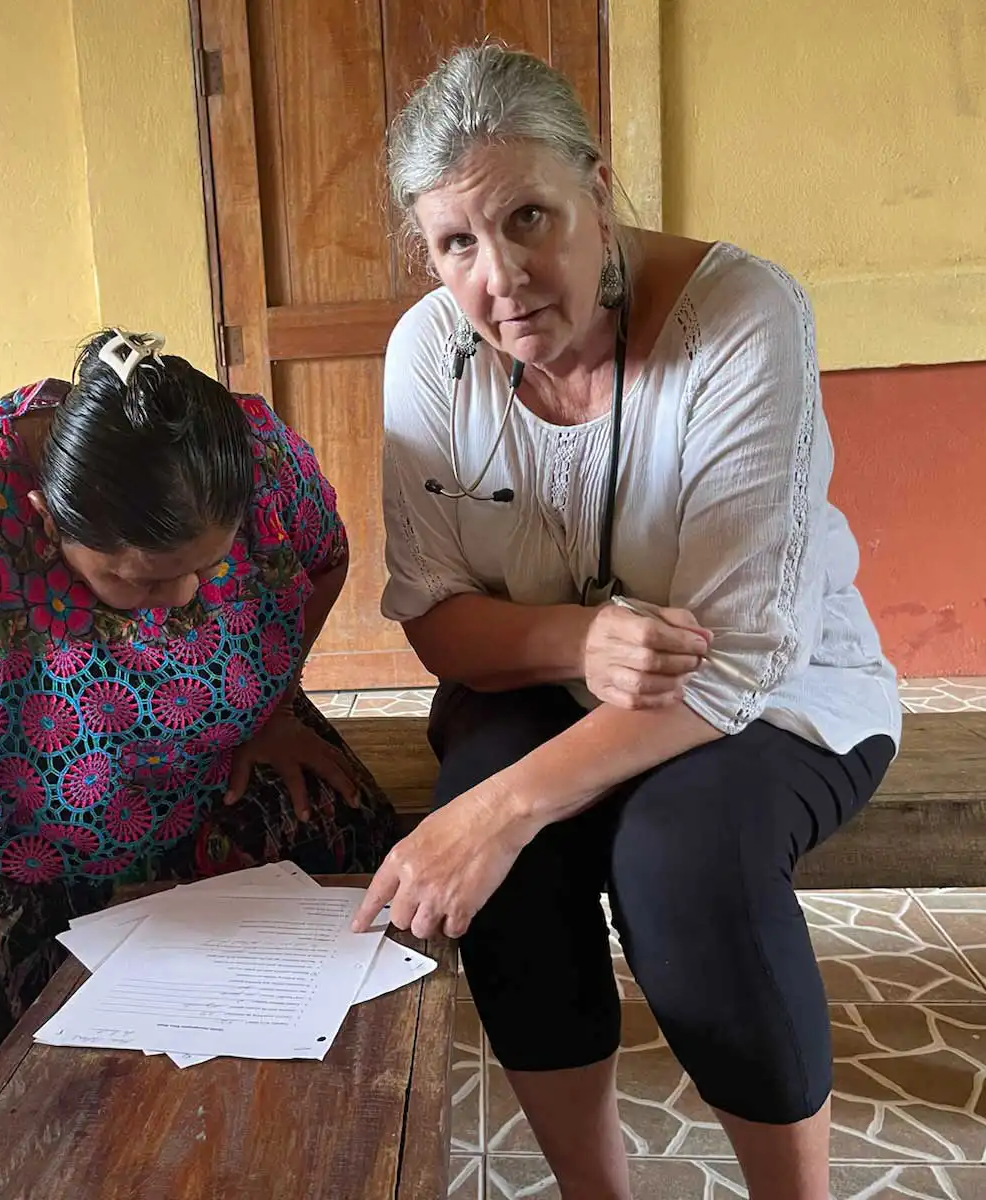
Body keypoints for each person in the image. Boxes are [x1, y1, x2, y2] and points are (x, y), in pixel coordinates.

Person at [354, 44, 901, 1200]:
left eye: (529, 218)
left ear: (597, 194)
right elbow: (442, 625)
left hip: (768, 692)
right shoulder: (427, 356)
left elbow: (742, 653)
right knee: (509, 872)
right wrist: (573, 643)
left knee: (679, 859)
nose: (500, 278)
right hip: (539, 681)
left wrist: (497, 809)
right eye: (456, 243)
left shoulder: (744, 317)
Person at [0, 329, 396, 1186]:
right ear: (47, 522)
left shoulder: (253, 459)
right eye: (135, 579)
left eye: (206, 569)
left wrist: (271, 709)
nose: (179, 602)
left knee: (349, 939)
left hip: (204, 774)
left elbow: (321, 558)